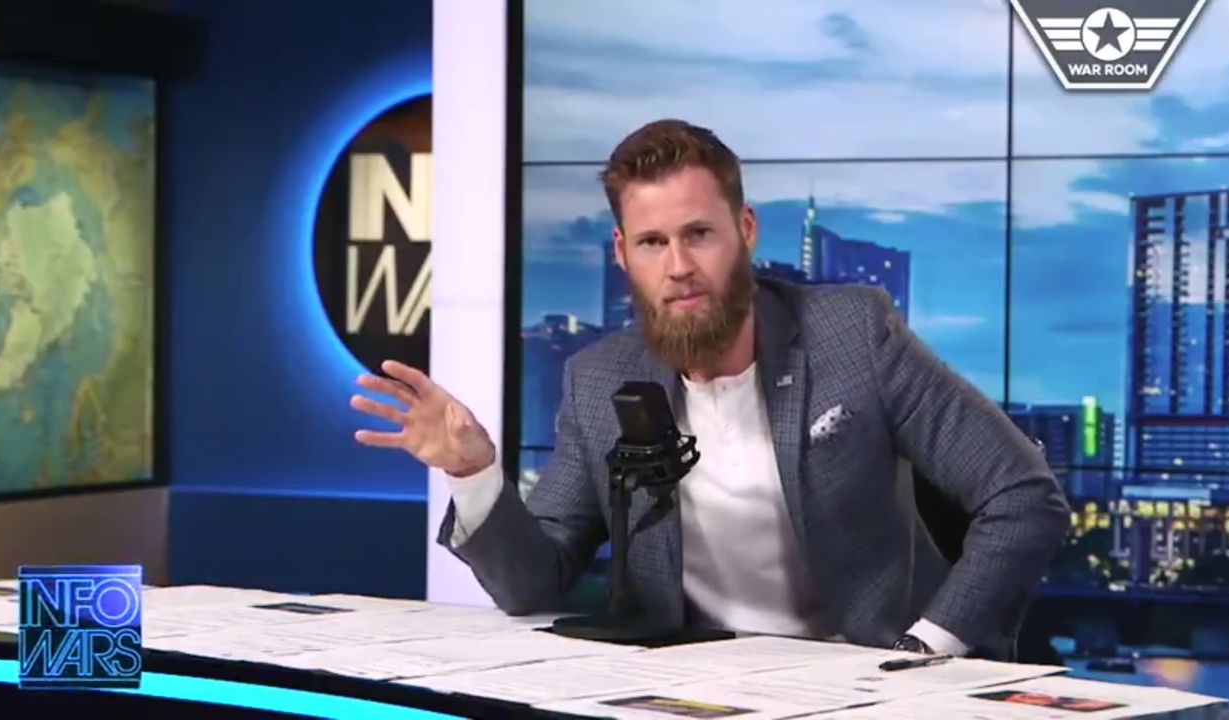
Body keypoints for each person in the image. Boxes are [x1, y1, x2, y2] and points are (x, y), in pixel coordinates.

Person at [350, 118, 1072, 661]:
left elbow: (1022, 495)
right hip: (698, 690)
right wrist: (475, 474)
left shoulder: (853, 333)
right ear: (622, 253)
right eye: (653, 242)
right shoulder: (598, 378)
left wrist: (926, 651)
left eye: (699, 234)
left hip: (869, 680)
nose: (678, 267)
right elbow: (534, 585)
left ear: (745, 230)